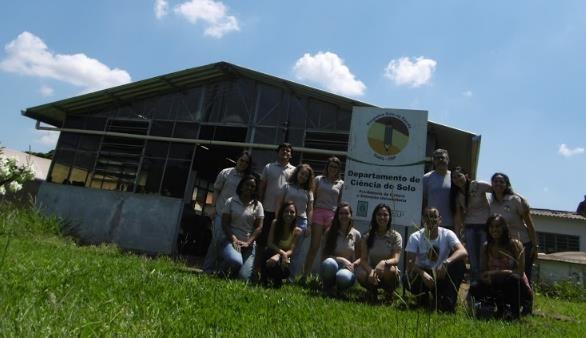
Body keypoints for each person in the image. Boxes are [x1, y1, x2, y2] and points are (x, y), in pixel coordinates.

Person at [489, 172, 538, 315]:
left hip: (523, 243)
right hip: (506, 247)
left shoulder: (515, 200)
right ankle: (511, 305)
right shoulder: (491, 203)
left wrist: (535, 245)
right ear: (491, 184)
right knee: (510, 277)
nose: (498, 184)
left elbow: (529, 223)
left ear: (507, 184)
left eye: (501, 181)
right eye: (495, 181)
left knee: (525, 276)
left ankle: (527, 306)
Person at [404, 207, 468, 312]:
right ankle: (423, 298)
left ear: (440, 219)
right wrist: (423, 273)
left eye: (434, 217)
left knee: (459, 264)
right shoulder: (415, 237)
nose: (431, 220)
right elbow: (409, 263)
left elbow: (462, 251)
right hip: (424, 274)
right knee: (407, 278)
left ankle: (447, 300)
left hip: (441, 272)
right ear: (423, 220)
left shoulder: (448, 234)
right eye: (427, 217)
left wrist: (446, 262)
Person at [470, 214, 533, 320]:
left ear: (504, 227)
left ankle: (514, 314)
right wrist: (485, 277)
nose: (494, 229)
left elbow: (520, 272)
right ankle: (487, 310)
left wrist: (496, 273)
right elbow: (483, 271)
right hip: (494, 283)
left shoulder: (515, 245)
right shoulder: (486, 246)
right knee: (475, 286)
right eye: (491, 227)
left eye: (498, 226)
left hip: (515, 285)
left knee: (513, 280)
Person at [203, 151, 252, 273]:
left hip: (235, 218)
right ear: (237, 160)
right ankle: (208, 269)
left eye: (246, 162)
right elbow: (216, 191)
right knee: (216, 241)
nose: (243, 163)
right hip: (220, 213)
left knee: (228, 245)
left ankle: (221, 270)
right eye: (242, 160)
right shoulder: (225, 172)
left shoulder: (247, 178)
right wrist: (213, 208)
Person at [255, 143, 295, 272]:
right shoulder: (268, 167)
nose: (285, 152)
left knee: (279, 243)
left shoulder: (294, 171)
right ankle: (256, 269)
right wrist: (259, 204)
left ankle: (276, 270)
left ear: (291, 154)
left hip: (285, 215)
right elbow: (262, 187)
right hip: (267, 209)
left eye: (288, 151)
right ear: (277, 152)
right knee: (262, 241)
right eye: (282, 150)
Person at [303, 156, 344, 279]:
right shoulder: (319, 179)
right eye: (331, 166)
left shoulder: (341, 184)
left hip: (332, 215)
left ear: (338, 169)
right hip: (318, 213)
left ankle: (323, 277)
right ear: (327, 167)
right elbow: (311, 198)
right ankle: (305, 275)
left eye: (335, 167)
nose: (333, 169)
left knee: (326, 248)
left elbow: (340, 201)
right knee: (314, 246)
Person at [450, 167, 491, 285]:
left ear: (466, 176)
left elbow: (498, 191)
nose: (457, 179)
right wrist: (457, 236)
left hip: (485, 226)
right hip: (470, 228)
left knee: (484, 256)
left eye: (459, 175)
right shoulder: (457, 195)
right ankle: (475, 285)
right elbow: (458, 217)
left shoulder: (478, 185)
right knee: (472, 258)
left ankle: (485, 284)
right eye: (454, 177)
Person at [220, 175, 264, 280]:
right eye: (247, 185)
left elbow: (259, 227)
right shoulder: (231, 201)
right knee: (236, 261)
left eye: (253, 186)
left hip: (248, 245)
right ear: (241, 186)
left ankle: (236, 272)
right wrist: (233, 239)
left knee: (243, 278)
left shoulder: (258, 206)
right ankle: (223, 270)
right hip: (231, 241)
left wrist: (248, 243)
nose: (249, 188)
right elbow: (224, 223)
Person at [356, 204, 402, 302]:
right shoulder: (367, 236)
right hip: (372, 270)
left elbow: (396, 259)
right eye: (379, 215)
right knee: (360, 273)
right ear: (374, 217)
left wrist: (383, 263)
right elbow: (363, 260)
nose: (382, 217)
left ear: (389, 217)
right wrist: (371, 271)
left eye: (385, 215)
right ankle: (372, 292)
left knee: (391, 271)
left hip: (387, 270)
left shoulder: (396, 236)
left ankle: (389, 293)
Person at [276, 163, 314, 278]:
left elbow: (310, 210)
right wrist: (278, 219)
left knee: (296, 251)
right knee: (282, 248)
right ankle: (278, 273)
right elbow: (279, 203)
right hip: (286, 220)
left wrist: (309, 226)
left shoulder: (309, 192)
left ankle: (291, 277)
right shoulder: (286, 186)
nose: (303, 177)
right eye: (302, 173)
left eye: (306, 176)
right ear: (297, 173)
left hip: (302, 222)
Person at [320, 203, 361, 294]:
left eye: (346, 213)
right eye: (341, 213)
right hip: (332, 267)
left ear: (351, 215)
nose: (344, 216)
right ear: (337, 215)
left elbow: (360, 257)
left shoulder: (356, 234)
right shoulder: (329, 232)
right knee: (328, 263)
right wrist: (342, 259)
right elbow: (324, 257)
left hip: (347, 269)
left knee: (343, 277)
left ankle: (340, 290)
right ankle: (327, 287)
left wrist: (353, 265)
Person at [261, 201, 303, 287]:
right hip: (271, 253)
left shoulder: (297, 231)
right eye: (286, 211)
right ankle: (264, 279)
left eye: (292, 212)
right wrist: (280, 253)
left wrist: (279, 256)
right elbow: (270, 243)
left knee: (285, 270)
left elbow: (291, 250)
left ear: (295, 215)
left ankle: (277, 280)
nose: (289, 214)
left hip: (284, 258)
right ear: (282, 212)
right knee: (267, 252)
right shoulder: (275, 223)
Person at [423, 149, 454, 230]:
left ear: (448, 159)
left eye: (442, 157)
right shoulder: (426, 178)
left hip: (451, 224)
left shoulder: (454, 177)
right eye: (437, 158)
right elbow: (423, 200)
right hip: (431, 223)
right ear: (434, 161)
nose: (440, 160)